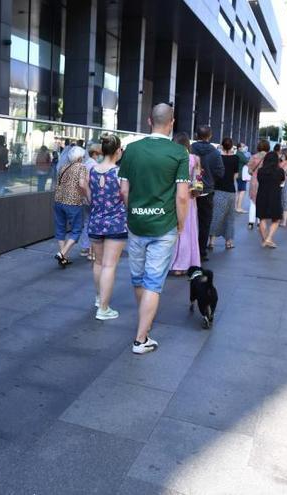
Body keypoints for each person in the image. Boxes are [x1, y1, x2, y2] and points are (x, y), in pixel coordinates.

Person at [119, 103, 190, 354]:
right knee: (153, 282)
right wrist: (181, 223)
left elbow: (124, 190)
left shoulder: (131, 150)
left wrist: (133, 212)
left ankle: (144, 326)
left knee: (138, 279)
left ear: (149, 121)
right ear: (172, 123)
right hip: (164, 226)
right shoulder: (179, 153)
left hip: (136, 223)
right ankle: (141, 338)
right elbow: (182, 197)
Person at [81, 134, 126, 320]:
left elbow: (84, 186)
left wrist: (93, 201)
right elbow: (124, 193)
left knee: (98, 263)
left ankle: (100, 299)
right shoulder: (119, 173)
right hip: (115, 223)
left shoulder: (92, 170)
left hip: (95, 221)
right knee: (109, 265)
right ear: (117, 151)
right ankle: (104, 309)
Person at [190, 125, 224, 261]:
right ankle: (201, 252)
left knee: (189, 222)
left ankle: (187, 251)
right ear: (210, 136)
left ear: (196, 135)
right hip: (207, 191)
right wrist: (210, 178)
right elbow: (220, 172)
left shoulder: (190, 149)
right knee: (205, 223)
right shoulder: (215, 153)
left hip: (189, 191)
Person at [169, 132, 201, 275]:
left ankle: (172, 263)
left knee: (173, 230)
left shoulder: (171, 157)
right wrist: (195, 191)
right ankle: (185, 263)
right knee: (188, 230)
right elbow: (198, 181)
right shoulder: (194, 159)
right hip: (189, 196)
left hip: (172, 196)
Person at [53, 146, 88, 267]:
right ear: (79, 158)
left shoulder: (63, 167)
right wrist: (87, 196)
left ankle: (63, 258)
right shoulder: (81, 167)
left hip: (58, 201)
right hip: (73, 202)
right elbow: (82, 184)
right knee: (77, 230)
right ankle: (62, 253)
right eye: (83, 157)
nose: (84, 159)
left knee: (61, 228)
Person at [209, 137, 239, 250]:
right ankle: (229, 242)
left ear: (221, 146)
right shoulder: (235, 158)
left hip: (217, 190)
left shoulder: (217, 157)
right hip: (230, 190)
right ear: (231, 147)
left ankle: (211, 241)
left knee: (216, 215)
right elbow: (235, 176)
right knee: (229, 217)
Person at [78, 143, 103, 260]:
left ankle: (85, 248)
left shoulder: (85, 164)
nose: (101, 156)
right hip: (92, 198)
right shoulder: (94, 166)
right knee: (93, 224)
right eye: (99, 154)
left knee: (87, 222)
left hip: (84, 198)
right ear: (94, 154)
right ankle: (91, 252)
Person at [256, 151, 285, 248]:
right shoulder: (280, 171)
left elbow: (259, 180)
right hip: (275, 196)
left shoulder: (260, 171)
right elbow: (282, 180)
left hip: (261, 196)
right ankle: (269, 238)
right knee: (276, 219)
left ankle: (265, 240)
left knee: (262, 218)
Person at [246, 140, 270, 229]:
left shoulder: (254, 156)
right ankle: (260, 221)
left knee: (253, 202)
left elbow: (249, 170)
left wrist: (253, 173)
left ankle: (250, 222)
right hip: (266, 181)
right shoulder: (269, 157)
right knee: (262, 202)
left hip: (255, 181)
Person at [234, 142, 250, 213]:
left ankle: (236, 207)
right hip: (241, 175)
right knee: (242, 191)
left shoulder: (238, 153)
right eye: (243, 146)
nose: (245, 147)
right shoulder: (240, 154)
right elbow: (248, 162)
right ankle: (239, 208)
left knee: (239, 191)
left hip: (239, 175)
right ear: (239, 147)